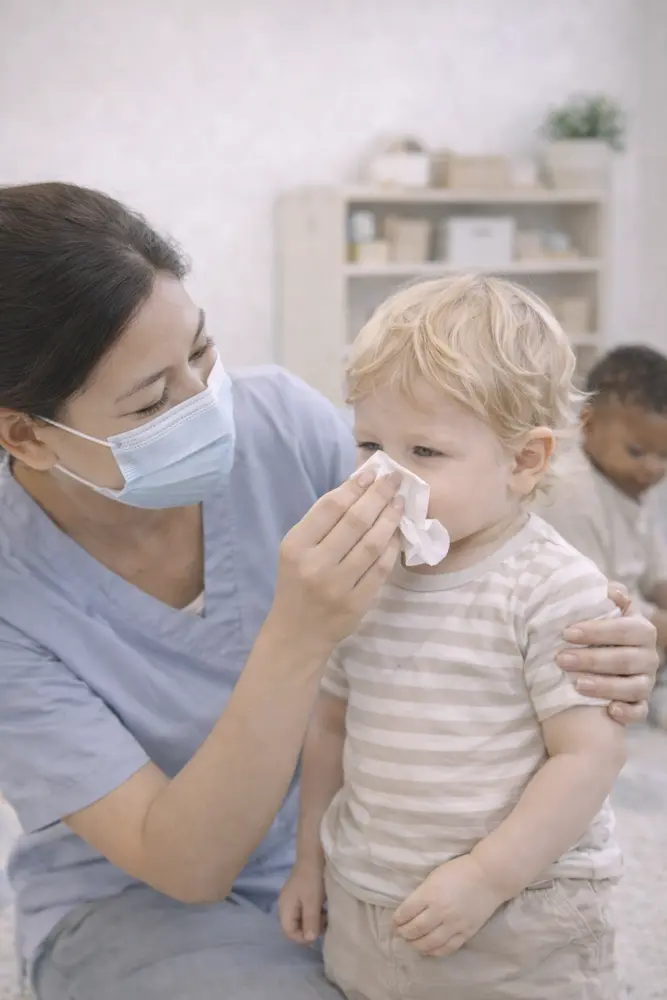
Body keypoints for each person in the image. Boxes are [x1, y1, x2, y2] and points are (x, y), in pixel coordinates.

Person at [0, 184, 657, 1000]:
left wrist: (611, 638)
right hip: (146, 898)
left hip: (367, 860)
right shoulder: (12, 597)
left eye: (202, 354)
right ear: (26, 433)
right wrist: (297, 636)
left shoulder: (277, 420)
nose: (206, 406)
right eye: (151, 400)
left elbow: (475, 540)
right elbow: (185, 866)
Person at [279, 276, 627, 999]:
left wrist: (486, 875)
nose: (383, 476)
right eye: (370, 444)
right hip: (370, 896)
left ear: (524, 461)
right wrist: (309, 860)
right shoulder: (364, 570)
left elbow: (587, 755)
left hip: (516, 913)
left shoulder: (550, 585)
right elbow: (329, 726)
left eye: (424, 453)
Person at [535, 346, 667, 728]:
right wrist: (658, 623)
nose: (652, 469)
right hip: (587, 636)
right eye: (637, 452)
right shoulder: (572, 491)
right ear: (588, 424)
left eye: (665, 456)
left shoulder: (634, 485)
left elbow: (656, 573)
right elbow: (592, 601)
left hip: (637, 633)